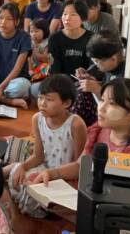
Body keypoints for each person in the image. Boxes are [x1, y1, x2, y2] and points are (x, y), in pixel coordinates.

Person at [32, 78, 130, 187]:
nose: (101, 107)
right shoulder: (99, 131)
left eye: (112, 103)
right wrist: (52, 173)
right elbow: (81, 165)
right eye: (102, 100)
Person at [5, 75, 87, 218]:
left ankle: (39, 213)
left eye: (49, 99)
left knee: (33, 187)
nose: (42, 103)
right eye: (40, 98)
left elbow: (78, 166)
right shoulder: (37, 119)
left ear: (66, 103)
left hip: (65, 177)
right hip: (45, 169)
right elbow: (38, 156)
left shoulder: (76, 124)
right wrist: (23, 167)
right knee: (17, 173)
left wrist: (52, 176)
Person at [71, 30, 126, 126]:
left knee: (82, 95)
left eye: (97, 61)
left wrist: (97, 89)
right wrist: (90, 78)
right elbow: (106, 84)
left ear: (113, 58)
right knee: (76, 86)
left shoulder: (124, 74)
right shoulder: (111, 66)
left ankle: (75, 128)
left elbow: (117, 105)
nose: (96, 65)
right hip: (101, 105)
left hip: (110, 114)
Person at [0, 3, 32, 109]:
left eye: (9, 19)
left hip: (16, 80)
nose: (3, 22)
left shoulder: (24, 38)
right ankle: (8, 101)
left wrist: (1, 87)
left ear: (17, 21)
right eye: (0, 18)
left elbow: (17, 69)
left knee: (23, 87)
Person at [48, 0, 94, 76]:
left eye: (73, 14)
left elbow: (94, 66)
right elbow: (54, 67)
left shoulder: (92, 38)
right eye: (65, 14)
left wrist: (86, 75)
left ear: (82, 18)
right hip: (61, 82)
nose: (67, 18)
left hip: (85, 81)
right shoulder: (54, 39)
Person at [28, 18, 50, 83]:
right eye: (31, 31)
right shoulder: (29, 42)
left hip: (42, 67)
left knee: (47, 67)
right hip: (32, 67)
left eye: (36, 31)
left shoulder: (47, 43)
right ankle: (32, 75)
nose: (33, 34)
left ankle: (37, 78)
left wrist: (34, 53)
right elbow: (28, 58)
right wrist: (30, 69)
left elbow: (46, 59)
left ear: (44, 31)